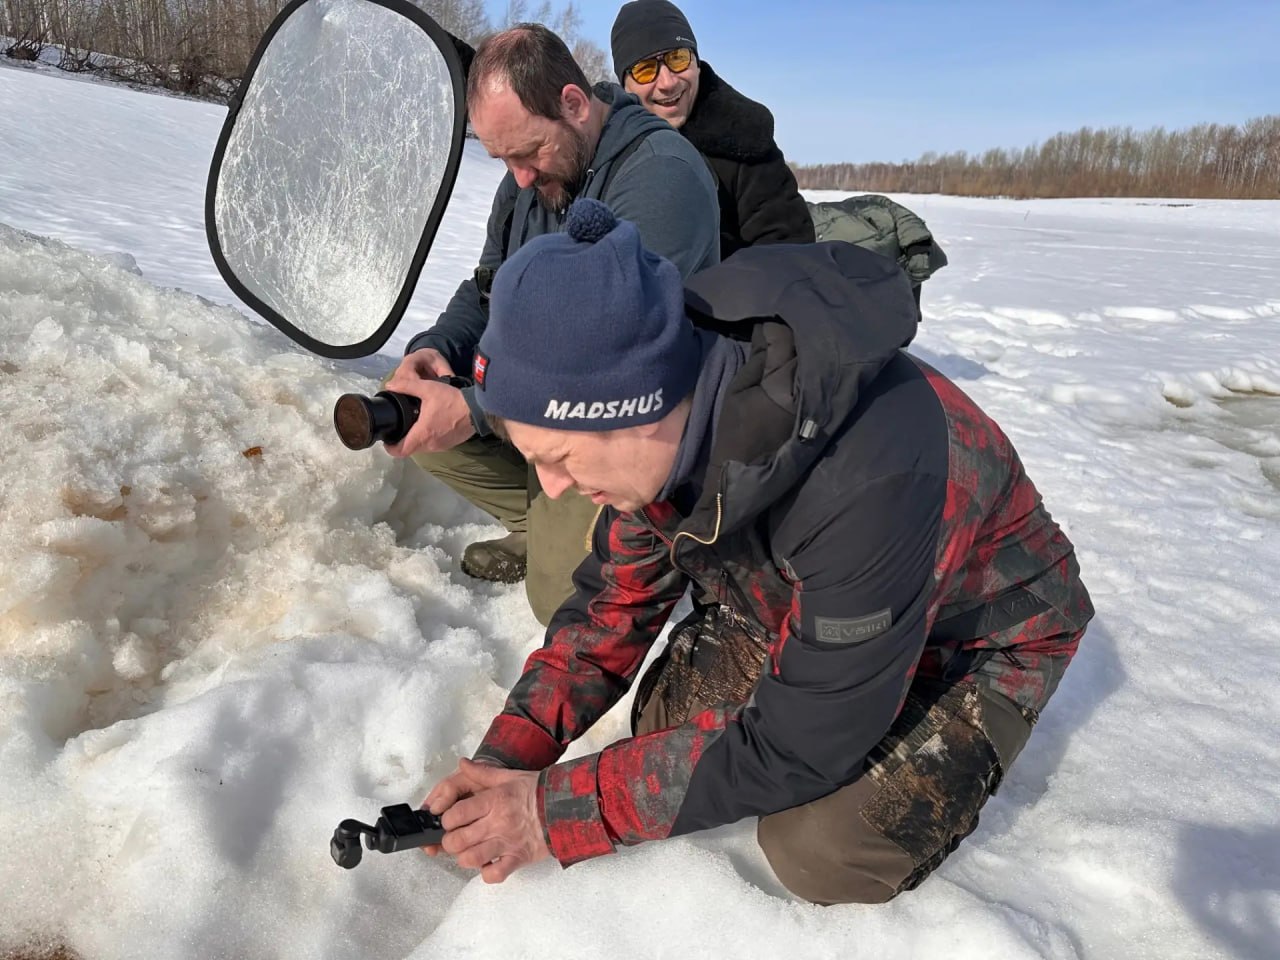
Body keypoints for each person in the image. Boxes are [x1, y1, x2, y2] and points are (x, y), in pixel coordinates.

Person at [420, 199, 1094, 904]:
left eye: (557, 457)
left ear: (634, 409)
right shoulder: (666, 415)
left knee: (824, 850)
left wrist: (548, 816)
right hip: (802, 603)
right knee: (666, 723)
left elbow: (804, 743)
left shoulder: (870, 474)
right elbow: (611, 608)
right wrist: (507, 758)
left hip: (972, 639)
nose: (554, 488)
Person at [384, 23, 720, 625]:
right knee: (415, 421)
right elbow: (489, 287)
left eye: (527, 151)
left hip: (626, 426)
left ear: (573, 103)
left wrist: (477, 409)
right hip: (548, 407)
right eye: (501, 157)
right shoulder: (531, 177)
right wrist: (436, 350)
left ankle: (620, 543)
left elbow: (605, 347)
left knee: (558, 604)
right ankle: (545, 526)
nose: (517, 176)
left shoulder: (660, 175)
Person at [610, 0, 814, 258]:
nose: (667, 82)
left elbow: (790, 252)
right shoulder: (607, 151)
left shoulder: (745, 140)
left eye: (678, 58)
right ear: (625, 84)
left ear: (696, 62)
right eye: (645, 69)